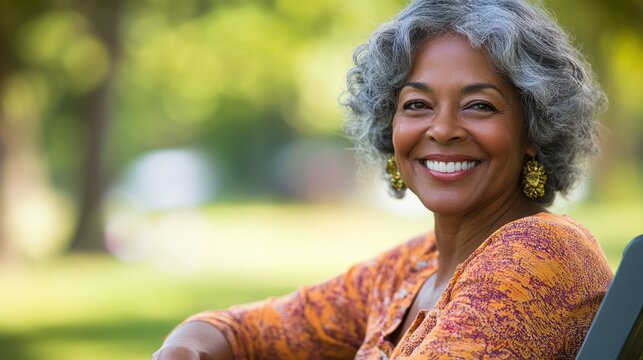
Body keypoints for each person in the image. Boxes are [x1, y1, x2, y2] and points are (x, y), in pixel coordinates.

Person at [153, 0, 613, 358]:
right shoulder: (410, 268)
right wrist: (181, 349)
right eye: (417, 104)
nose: (442, 128)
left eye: (479, 105)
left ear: (533, 129)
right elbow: (240, 331)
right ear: (389, 126)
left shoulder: (543, 253)